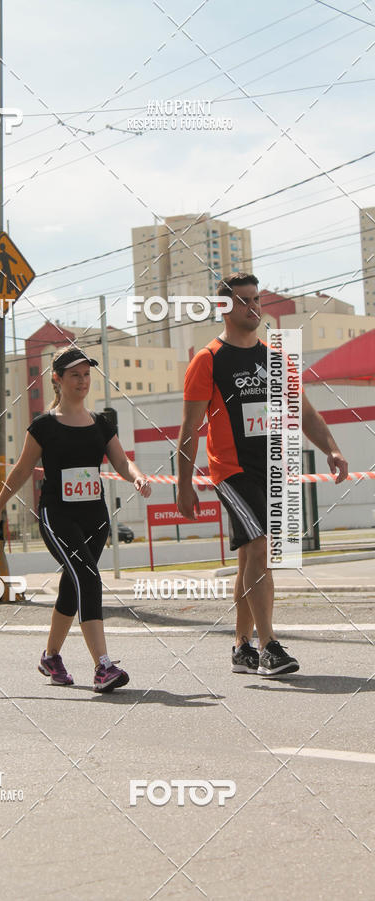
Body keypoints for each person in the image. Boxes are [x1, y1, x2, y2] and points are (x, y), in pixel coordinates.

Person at [177, 272, 348, 677]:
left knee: (248, 560)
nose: (254, 307)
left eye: (257, 300)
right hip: (231, 471)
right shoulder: (208, 360)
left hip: (272, 469)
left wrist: (333, 448)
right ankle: (269, 645)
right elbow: (189, 430)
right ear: (224, 307)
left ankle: (241, 647)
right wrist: (184, 485)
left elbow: (304, 412)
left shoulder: (277, 358)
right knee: (259, 548)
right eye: (244, 300)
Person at [0, 346, 152, 692]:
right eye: (75, 374)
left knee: (74, 587)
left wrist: (138, 476)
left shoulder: (102, 423)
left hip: (95, 518)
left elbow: (121, 461)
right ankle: (103, 667)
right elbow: (23, 469)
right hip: (57, 516)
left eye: (86, 375)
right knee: (88, 578)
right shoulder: (44, 426)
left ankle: (50, 657)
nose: (83, 381)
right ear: (57, 379)